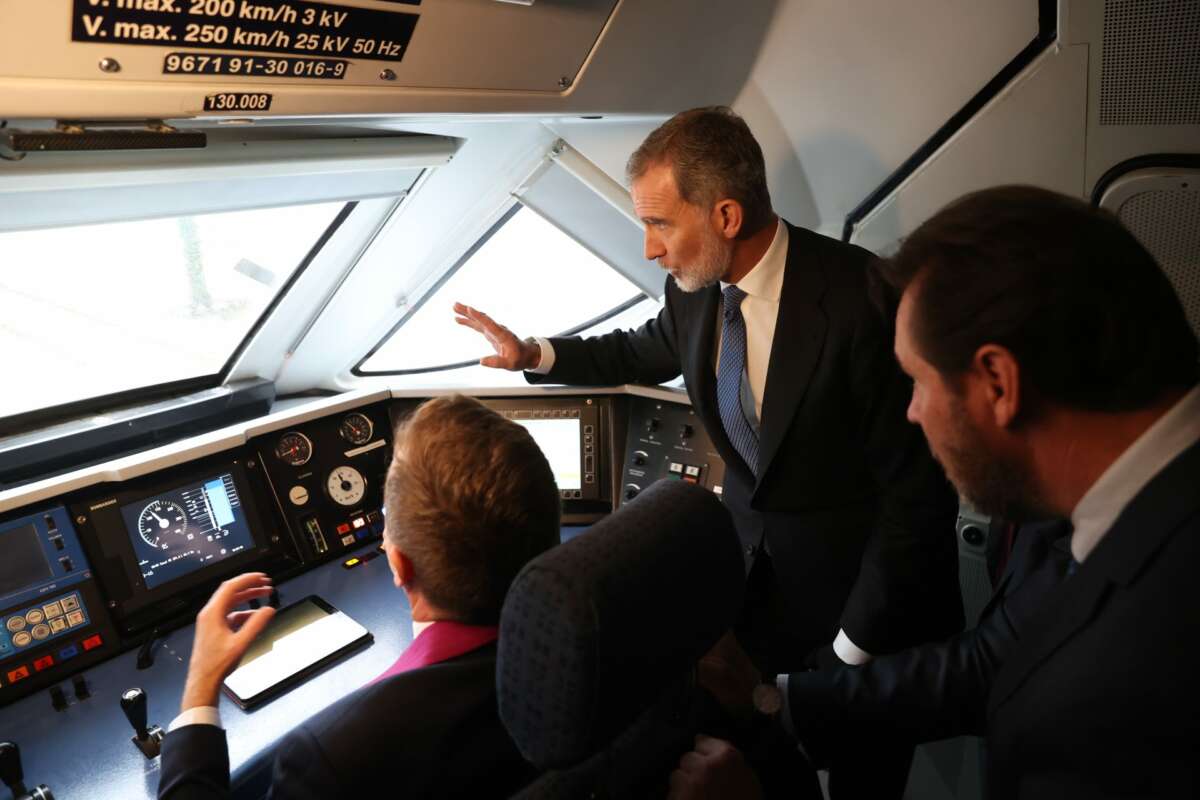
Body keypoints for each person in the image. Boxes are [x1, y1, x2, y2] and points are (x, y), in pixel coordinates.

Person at [456, 106, 962, 797]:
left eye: (660, 224)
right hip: (765, 597)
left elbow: (917, 501)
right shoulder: (694, 293)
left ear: (725, 216)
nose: (649, 249)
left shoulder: (861, 298)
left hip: (871, 614)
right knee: (769, 769)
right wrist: (533, 355)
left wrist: (851, 650)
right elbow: (637, 349)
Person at [671, 185, 1200, 799]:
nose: (915, 414)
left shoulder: (1144, 669)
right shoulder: (1068, 508)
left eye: (917, 383)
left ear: (998, 382)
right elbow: (991, 660)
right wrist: (768, 702)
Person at [157, 395, 562, 799]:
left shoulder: (331, 757)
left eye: (386, 522)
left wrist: (200, 686)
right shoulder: (582, 641)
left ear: (400, 565)